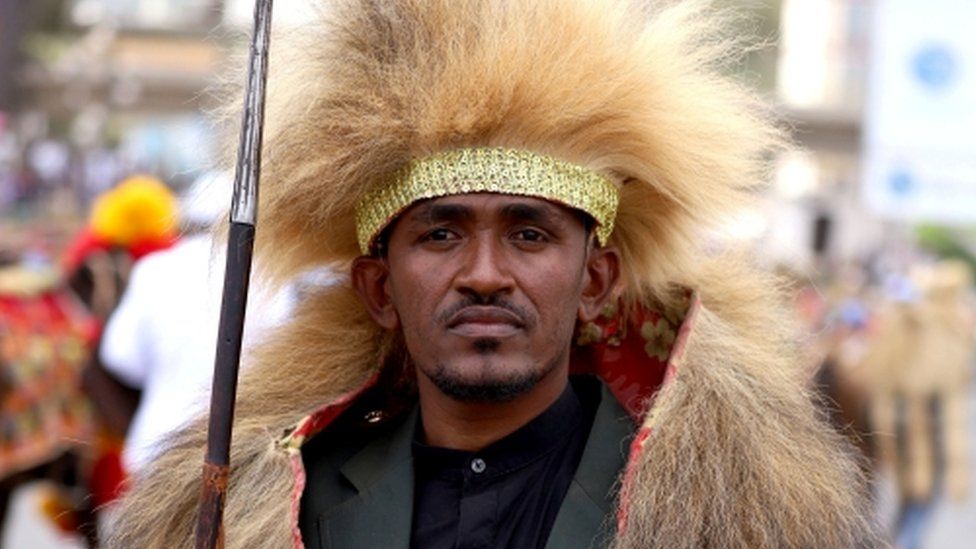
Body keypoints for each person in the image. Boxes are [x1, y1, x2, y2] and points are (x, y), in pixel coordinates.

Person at [110, 1, 879, 547]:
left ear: (595, 278)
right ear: (379, 287)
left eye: (529, 232)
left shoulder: (734, 514)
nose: (484, 274)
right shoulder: (279, 502)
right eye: (441, 232)